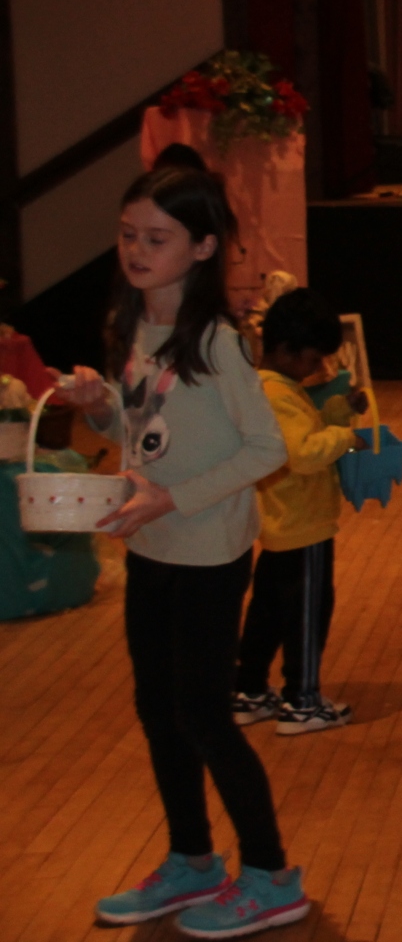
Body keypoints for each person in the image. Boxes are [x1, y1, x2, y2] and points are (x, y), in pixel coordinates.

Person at [63, 167, 307, 937]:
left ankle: (270, 874)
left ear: (202, 247)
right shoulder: (135, 325)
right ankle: (192, 859)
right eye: (128, 235)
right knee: (157, 709)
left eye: (157, 238)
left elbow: (267, 449)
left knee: (203, 715)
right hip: (151, 545)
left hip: (206, 552)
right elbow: (140, 431)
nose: (137, 250)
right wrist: (100, 409)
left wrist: (174, 498)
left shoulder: (217, 343)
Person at [231, 287, 367, 736]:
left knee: (268, 611)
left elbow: (306, 431)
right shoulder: (278, 395)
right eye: (313, 359)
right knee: (308, 615)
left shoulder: (272, 388)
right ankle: (302, 700)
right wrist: (346, 438)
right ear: (287, 349)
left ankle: (249, 690)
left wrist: (340, 411)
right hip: (304, 528)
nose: (317, 368)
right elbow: (304, 453)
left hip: (281, 525)